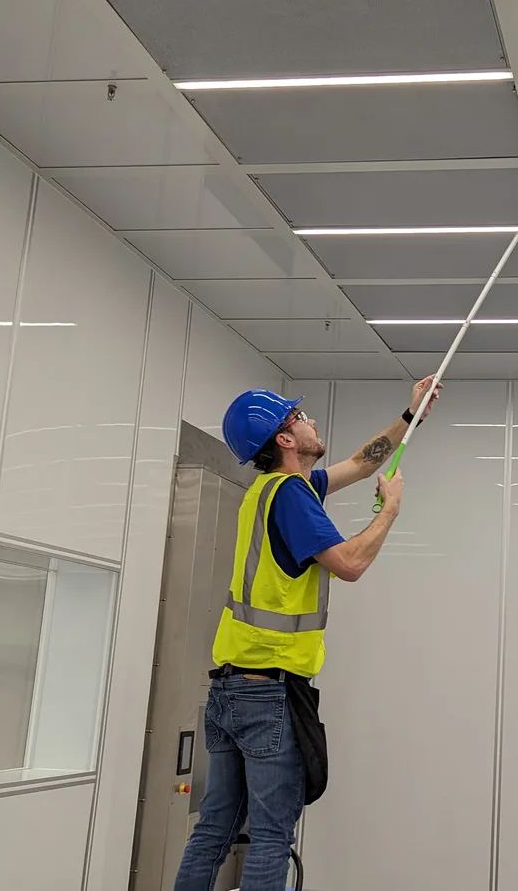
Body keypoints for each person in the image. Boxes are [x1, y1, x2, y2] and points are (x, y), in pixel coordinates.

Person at [172, 377, 442, 891]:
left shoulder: (269, 490)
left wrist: (411, 417)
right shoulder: (292, 496)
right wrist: (391, 510)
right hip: (268, 694)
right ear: (285, 440)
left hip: (230, 689)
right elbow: (350, 564)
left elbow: (364, 462)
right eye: (299, 417)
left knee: (212, 831)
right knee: (272, 837)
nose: (310, 420)